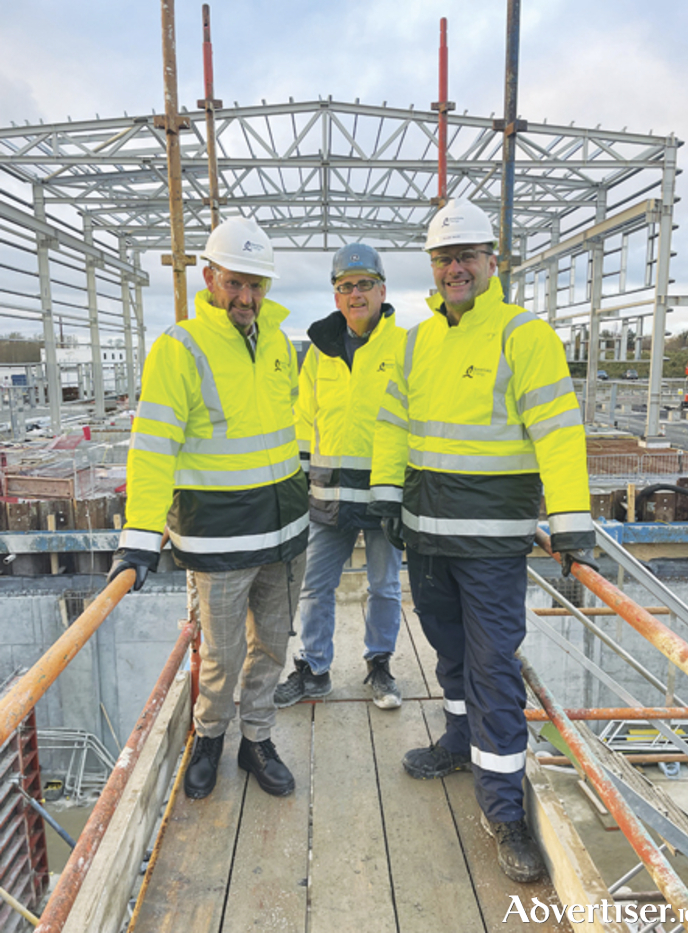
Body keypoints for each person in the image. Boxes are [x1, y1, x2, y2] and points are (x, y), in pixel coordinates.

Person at [368, 199, 596, 883]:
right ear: (433, 268)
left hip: (492, 543)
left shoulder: (523, 336)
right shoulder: (416, 341)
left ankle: (504, 810)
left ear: (493, 261)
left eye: (466, 255)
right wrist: (386, 493)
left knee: (493, 664)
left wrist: (572, 516)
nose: (455, 268)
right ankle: (460, 740)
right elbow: (392, 423)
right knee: (450, 651)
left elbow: (557, 430)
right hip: (427, 536)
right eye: (444, 258)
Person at [108, 216, 309, 800]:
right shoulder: (180, 349)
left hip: (284, 530)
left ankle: (257, 740)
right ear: (209, 277)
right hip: (219, 535)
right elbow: (153, 448)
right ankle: (210, 737)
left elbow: (286, 428)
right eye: (234, 282)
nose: (245, 297)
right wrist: (140, 535)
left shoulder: (279, 343)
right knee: (221, 654)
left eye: (256, 284)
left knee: (272, 645)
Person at [274, 244, 406, 711]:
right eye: (346, 286)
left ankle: (379, 665)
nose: (356, 294)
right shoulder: (319, 353)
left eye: (365, 284)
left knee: (385, 587)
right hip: (328, 494)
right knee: (314, 586)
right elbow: (303, 420)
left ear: (382, 290)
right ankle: (314, 669)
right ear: (336, 296)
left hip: (383, 494)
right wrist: (297, 485)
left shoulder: (404, 347)